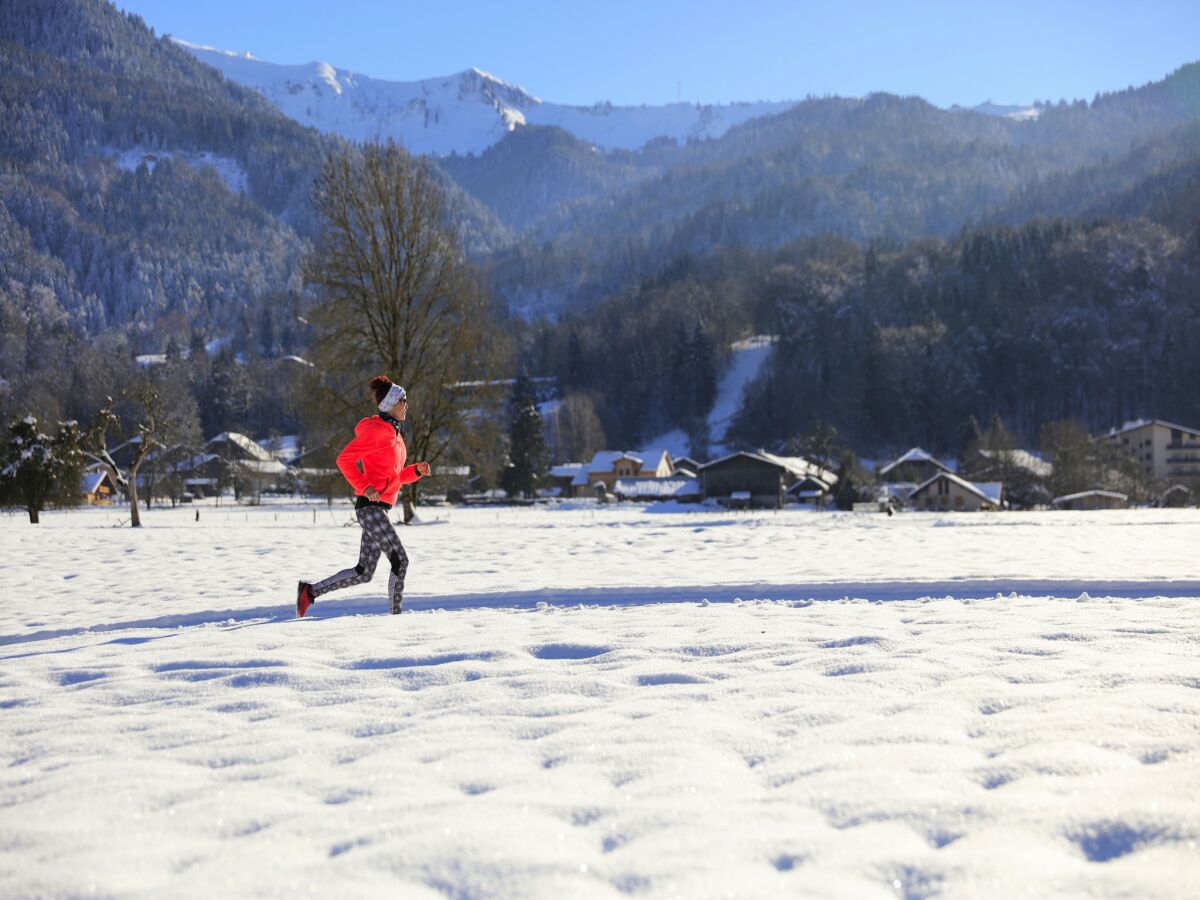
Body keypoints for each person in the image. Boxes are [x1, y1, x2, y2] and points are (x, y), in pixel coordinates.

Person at [296, 375, 430, 617]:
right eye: (403, 400)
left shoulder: (396, 437)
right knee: (400, 560)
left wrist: (416, 472)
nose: (406, 405)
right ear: (390, 405)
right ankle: (396, 618)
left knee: (364, 572)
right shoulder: (377, 432)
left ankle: (309, 592)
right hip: (370, 508)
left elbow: (396, 476)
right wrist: (364, 485)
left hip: (379, 508)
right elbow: (344, 459)